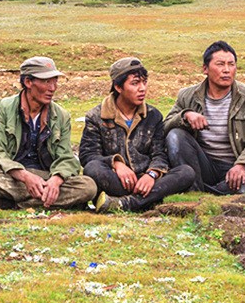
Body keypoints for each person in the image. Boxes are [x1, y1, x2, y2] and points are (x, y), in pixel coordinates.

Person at [0, 56, 96, 210]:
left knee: (88, 187)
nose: (53, 88)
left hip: (45, 176)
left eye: (55, 81)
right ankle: (52, 201)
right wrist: (25, 176)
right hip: (13, 176)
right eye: (46, 81)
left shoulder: (61, 115)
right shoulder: (4, 108)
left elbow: (66, 158)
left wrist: (56, 180)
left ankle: (6, 202)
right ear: (28, 82)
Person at [79, 57, 194, 212]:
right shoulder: (96, 116)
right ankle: (147, 200)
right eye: (135, 83)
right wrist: (116, 163)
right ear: (118, 87)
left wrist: (151, 174)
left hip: (146, 181)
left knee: (186, 172)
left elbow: (159, 154)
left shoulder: (153, 115)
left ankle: (126, 203)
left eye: (144, 82)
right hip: (116, 180)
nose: (142, 89)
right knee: (92, 168)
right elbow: (88, 155)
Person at [164, 41, 245, 201]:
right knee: (175, 135)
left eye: (231, 64)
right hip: (202, 167)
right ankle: (197, 192)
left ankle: (203, 196)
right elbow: (164, 127)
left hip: (237, 168)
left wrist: (242, 165)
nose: (226, 70)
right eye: (220, 64)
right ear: (205, 69)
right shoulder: (187, 96)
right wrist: (185, 116)